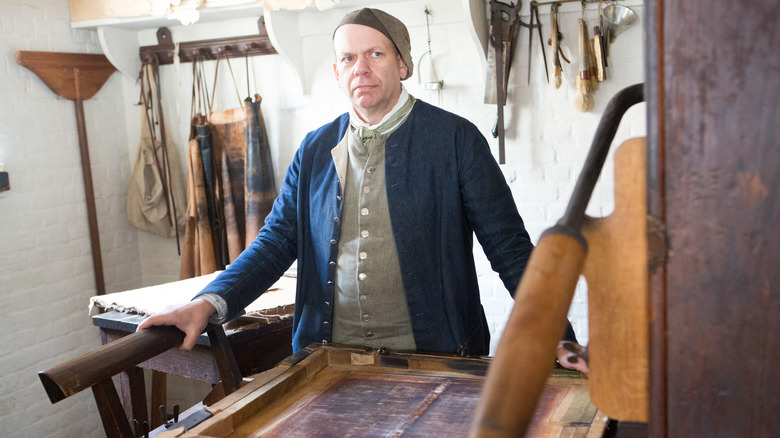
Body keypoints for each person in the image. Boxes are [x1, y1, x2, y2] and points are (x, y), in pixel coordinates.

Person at [138, 8, 588, 374]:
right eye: (349, 59)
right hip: (327, 362)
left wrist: (556, 331)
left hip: (439, 359)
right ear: (336, 71)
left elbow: (510, 249)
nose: (362, 68)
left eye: (375, 53)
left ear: (403, 64)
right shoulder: (314, 148)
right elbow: (274, 243)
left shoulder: (456, 140)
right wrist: (208, 303)